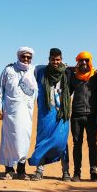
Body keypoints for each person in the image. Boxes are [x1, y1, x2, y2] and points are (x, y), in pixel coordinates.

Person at [28, 48, 72, 181]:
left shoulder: (67, 72)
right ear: (49, 59)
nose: (55, 62)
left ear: (61, 59)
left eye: (58, 60)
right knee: (42, 140)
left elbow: (82, 73)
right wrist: (13, 66)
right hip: (46, 112)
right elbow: (26, 69)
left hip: (62, 113)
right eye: (53, 59)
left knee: (62, 141)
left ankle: (66, 172)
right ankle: (39, 171)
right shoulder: (40, 71)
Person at [0, 47, 38, 180]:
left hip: (26, 111)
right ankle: (9, 170)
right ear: (18, 56)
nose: (26, 59)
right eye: (23, 56)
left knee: (24, 140)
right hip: (10, 112)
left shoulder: (33, 70)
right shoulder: (9, 70)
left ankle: (21, 170)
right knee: (9, 141)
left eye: (28, 57)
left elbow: (52, 68)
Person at [68, 51, 97, 182]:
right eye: (81, 60)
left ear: (90, 61)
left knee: (93, 144)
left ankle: (93, 172)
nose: (84, 63)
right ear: (78, 62)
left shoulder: (96, 76)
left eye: (87, 60)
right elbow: (68, 93)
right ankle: (77, 173)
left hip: (92, 116)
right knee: (77, 145)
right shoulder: (73, 76)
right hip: (76, 115)